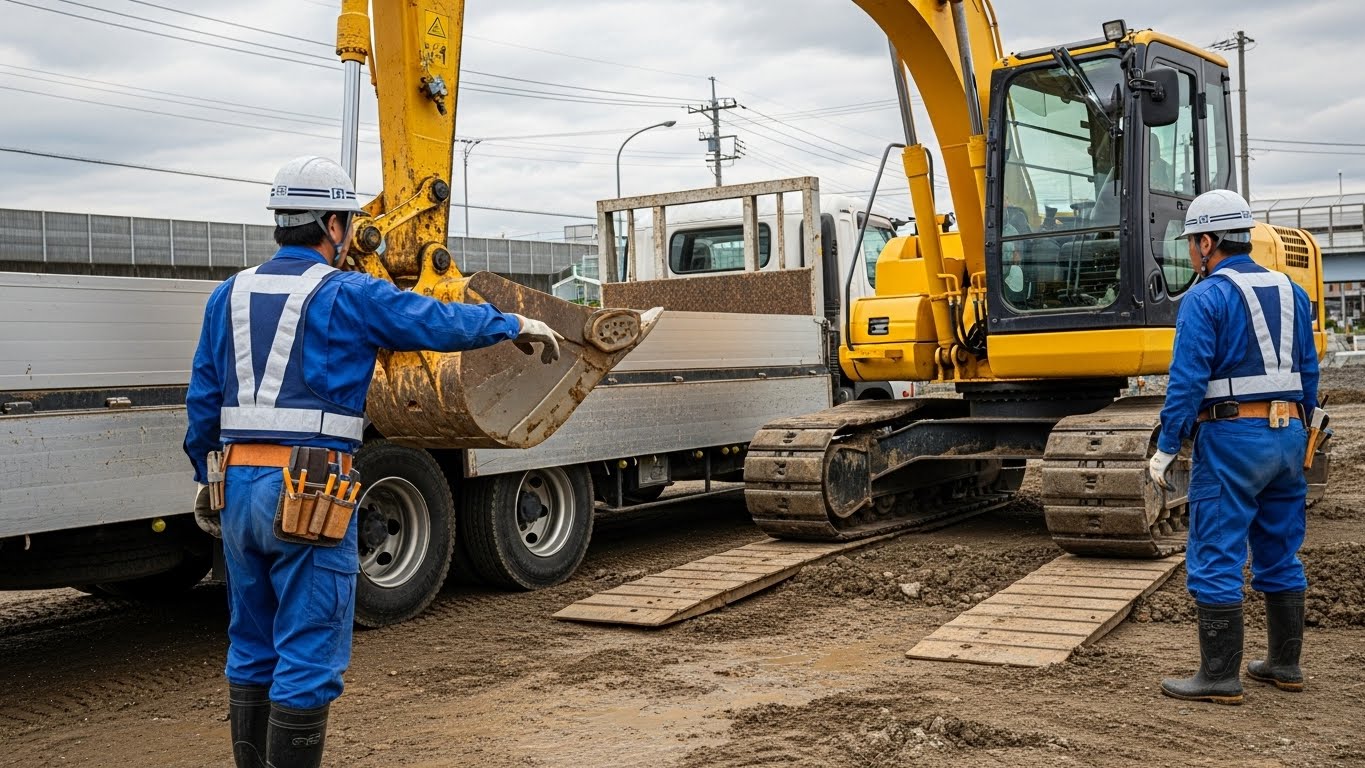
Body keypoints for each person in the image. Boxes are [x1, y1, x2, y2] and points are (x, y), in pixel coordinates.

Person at [184, 155, 563, 767]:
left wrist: (206, 476)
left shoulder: (228, 295)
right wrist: (510, 322)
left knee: (251, 644)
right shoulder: (345, 293)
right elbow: (428, 318)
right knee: (308, 655)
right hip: (308, 493)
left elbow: (203, 398)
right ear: (334, 224)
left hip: (238, 488)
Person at [1148, 188, 1318, 706]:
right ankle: (1285, 665)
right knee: (1280, 548)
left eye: (1191, 245)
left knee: (1217, 551)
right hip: (1289, 436)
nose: (1191, 254)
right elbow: (1308, 373)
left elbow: (1187, 379)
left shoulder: (1206, 297)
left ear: (1207, 241)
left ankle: (1220, 676)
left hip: (1231, 439)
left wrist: (1167, 444)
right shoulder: (1293, 291)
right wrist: (1302, 426)